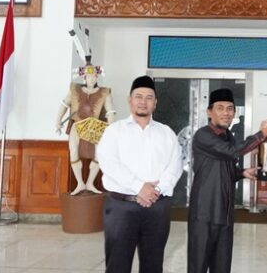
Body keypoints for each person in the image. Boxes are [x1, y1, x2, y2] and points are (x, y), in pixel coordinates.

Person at [97, 75, 183, 273]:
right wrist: (140, 187)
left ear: (155, 103)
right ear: (130, 100)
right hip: (121, 207)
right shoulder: (114, 131)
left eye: (149, 97)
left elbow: (175, 164)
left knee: (153, 265)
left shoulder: (166, 133)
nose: (143, 101)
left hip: (156, 208)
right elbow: (109, 163)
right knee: (117, 265)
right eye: (139, 96)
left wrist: (155, 190)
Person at [187, 88, 267, 273]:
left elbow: (224, 169)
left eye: (230, 108)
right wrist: (262, 134)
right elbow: (232, 151)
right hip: (204, 213)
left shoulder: (228, 136)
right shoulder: (203, 135)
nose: (226, 113)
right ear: (209, 112)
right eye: (220, 108)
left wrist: (242, 173)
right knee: (198, 265)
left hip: (224, 214)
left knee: (222, 266)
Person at [56, 60, 115, 195]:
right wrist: (58, 121)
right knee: (73, 151)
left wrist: (111, 128)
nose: (91, 79)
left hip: (95, 127)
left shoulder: (105, 93)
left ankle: (90, 183)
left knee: (99, 153)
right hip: (77, 125)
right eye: (89, 76)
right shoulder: (74, 90)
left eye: (94, 76)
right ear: (84, 77)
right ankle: (80, 183)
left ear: (97, 77)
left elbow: (111, 111)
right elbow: (64, 105)